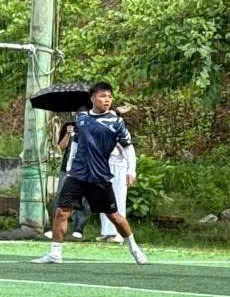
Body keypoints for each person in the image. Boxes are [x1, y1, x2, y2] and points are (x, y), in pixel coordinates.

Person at [32, 82, 147, 266]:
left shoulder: (116, 122)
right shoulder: (82, 118)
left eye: (109, 97)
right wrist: (70, 168)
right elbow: (76, 144)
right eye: (102, 96)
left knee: (114, 216)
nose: (107, 100)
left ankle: (134, 248)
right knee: (61, 212)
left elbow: (128, 148)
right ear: (92, 99)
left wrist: (131, 170)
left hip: (99, 177)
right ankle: (55, 253)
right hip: (77, 175)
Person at [97, 107, 137, 244]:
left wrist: (131, 171)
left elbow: (130, 153)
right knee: (103, 199)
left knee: (118, 199)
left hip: (119, 168)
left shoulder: (122, 133)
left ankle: (120, 234)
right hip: (103, 168)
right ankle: (107, 231)